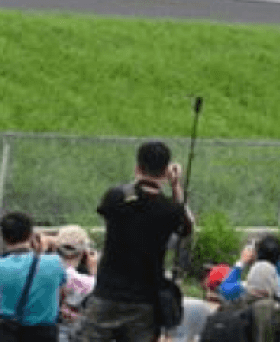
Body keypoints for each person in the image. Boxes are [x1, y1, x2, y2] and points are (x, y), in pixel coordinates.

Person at [80, 141, 194, 342]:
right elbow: (187, 227)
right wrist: (176, 186)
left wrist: (141, 181)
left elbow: (125, 198)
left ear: (137, 167)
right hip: (145, 301)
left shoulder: (116, 197)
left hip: (107, 294)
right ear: (166, 171)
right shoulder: (170, 210)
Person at [0, 211, 68, 342]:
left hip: (10, 332)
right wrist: (44, 251)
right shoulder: (55, 262)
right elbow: (63, 289)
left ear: (3, 236)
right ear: (31, 235)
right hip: (45, 333)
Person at [218, 236, 280, 307]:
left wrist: (241, 262)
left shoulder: (248, 287)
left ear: (256, 255)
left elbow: (225, 289)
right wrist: (277, 260)